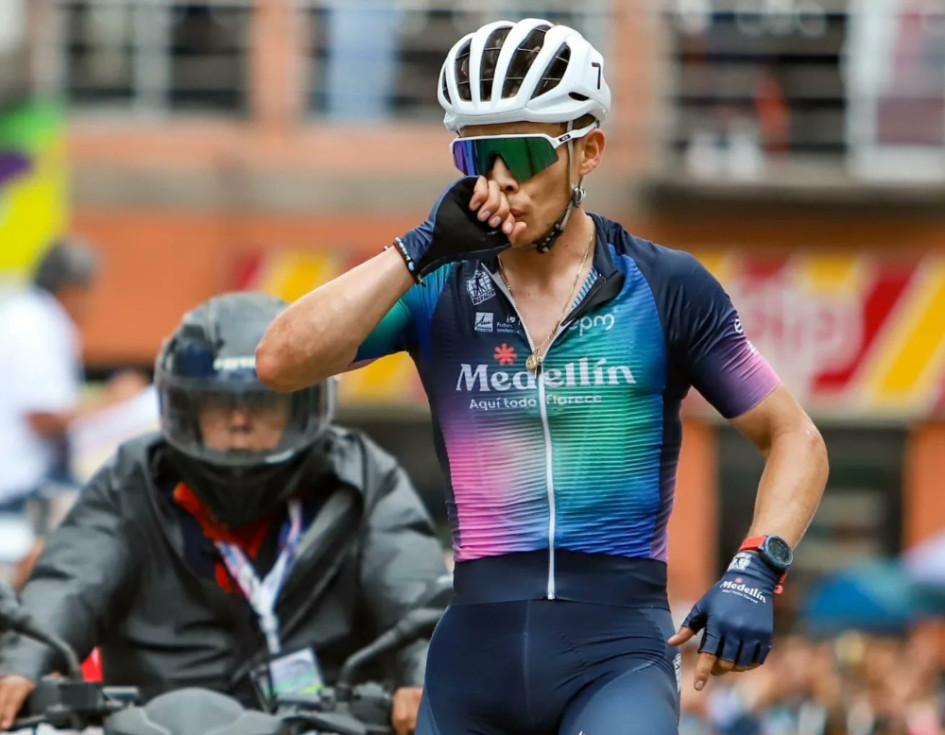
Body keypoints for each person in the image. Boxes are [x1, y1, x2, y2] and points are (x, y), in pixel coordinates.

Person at [255, 18, 829, 735]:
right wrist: (420, 246)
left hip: (615, 656)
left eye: (522, 152)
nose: (498, 180)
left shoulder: (664, 286)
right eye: (476, 153)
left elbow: (794, 437)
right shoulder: (435, 285)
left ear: (586, 150)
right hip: (473, 658)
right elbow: (278, 361)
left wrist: (755, 566)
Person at [0, 292, 447, 735]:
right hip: (148, 726)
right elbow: (73, 579)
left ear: (304, 404)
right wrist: (22, 663)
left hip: (323, 724)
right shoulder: (133, 476)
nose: (238, 422)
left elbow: (411, 588)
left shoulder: (365, 477)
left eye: (261, 403)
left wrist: (424, 672)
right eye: (219, 405)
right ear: (184, 409)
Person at [0, 240, 144, 564]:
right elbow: (41, 416)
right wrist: (114, 401)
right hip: (19, 492)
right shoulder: (33, 324)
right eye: (89, 293)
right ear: (71, 289)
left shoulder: (28, 316)